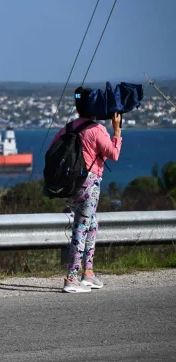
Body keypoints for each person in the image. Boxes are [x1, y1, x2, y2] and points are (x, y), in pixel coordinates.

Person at [49, 87, 123, 293]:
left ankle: (88, 274)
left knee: (91, 224)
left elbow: (53, 151)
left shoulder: (69, 127)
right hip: (89, 185)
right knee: (82, 227)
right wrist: (117, 131)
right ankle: (71, 278)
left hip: (70, 186)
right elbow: (114, 154)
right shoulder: (97, 130)